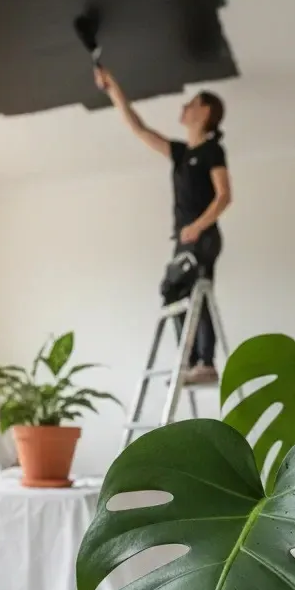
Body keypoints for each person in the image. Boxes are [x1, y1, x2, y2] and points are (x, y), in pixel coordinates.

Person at [95, 66, 232, 385]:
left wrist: (197, 226)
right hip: (186, 239)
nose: (183, 108)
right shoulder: (182, 153)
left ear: (205, 111)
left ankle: (205, 362)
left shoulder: (212, 151)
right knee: (173, 292)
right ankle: (191, 361)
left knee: (195, 290)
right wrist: (114, 88)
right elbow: (139, 129)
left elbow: (224, 196)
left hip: (203, 236)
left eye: (191, 103)